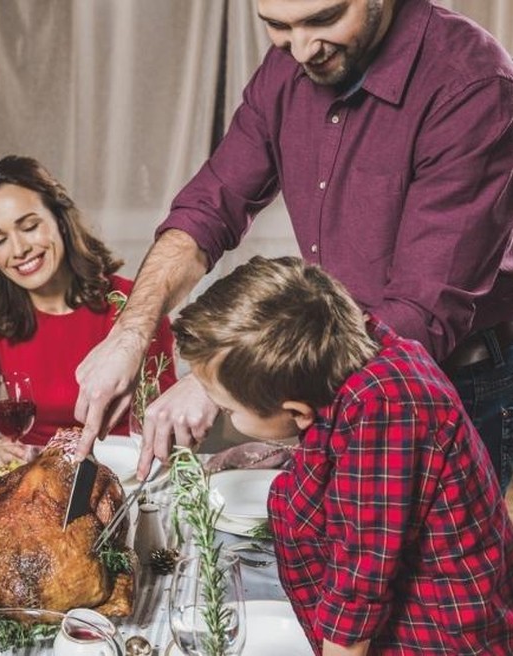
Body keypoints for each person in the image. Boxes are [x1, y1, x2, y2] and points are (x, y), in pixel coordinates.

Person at [73, 0, 513, 488]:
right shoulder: (290, 64)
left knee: (426, 563)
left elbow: (420, 313)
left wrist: (222, 380)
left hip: (447, 378)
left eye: (323, 20)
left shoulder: (470, 83)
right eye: (277, 26)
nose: (301, 49)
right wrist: (130, 332)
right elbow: (207, 211)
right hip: (326, 370)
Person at [175, 255, 513, 654]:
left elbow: (357, 591)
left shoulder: (386, 410)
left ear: (297, 412)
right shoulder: (354, 357)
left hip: (435, 642)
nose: (228, 416)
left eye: (230, 411)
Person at [0, 155, 177, 464]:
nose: (19, 249)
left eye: (29, 226)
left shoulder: (132, 304)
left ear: (60, 220)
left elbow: (164, 416)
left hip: (125, 472)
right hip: (35, 473)